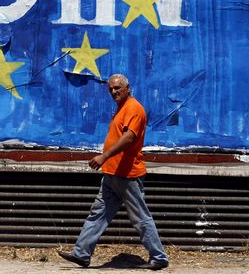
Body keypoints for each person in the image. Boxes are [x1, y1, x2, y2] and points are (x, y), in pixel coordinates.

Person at [58, 74, 169, 270]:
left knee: (140, 218)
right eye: (111, 89)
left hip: (127, 174)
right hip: (112, 174)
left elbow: (129, 138)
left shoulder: (134, 108)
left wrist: (104, 156)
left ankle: (159, 257)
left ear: (128, 88)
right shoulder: (122, 109)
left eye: (117, 88)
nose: (114, 92)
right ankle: (82, 253)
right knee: (98, 214)